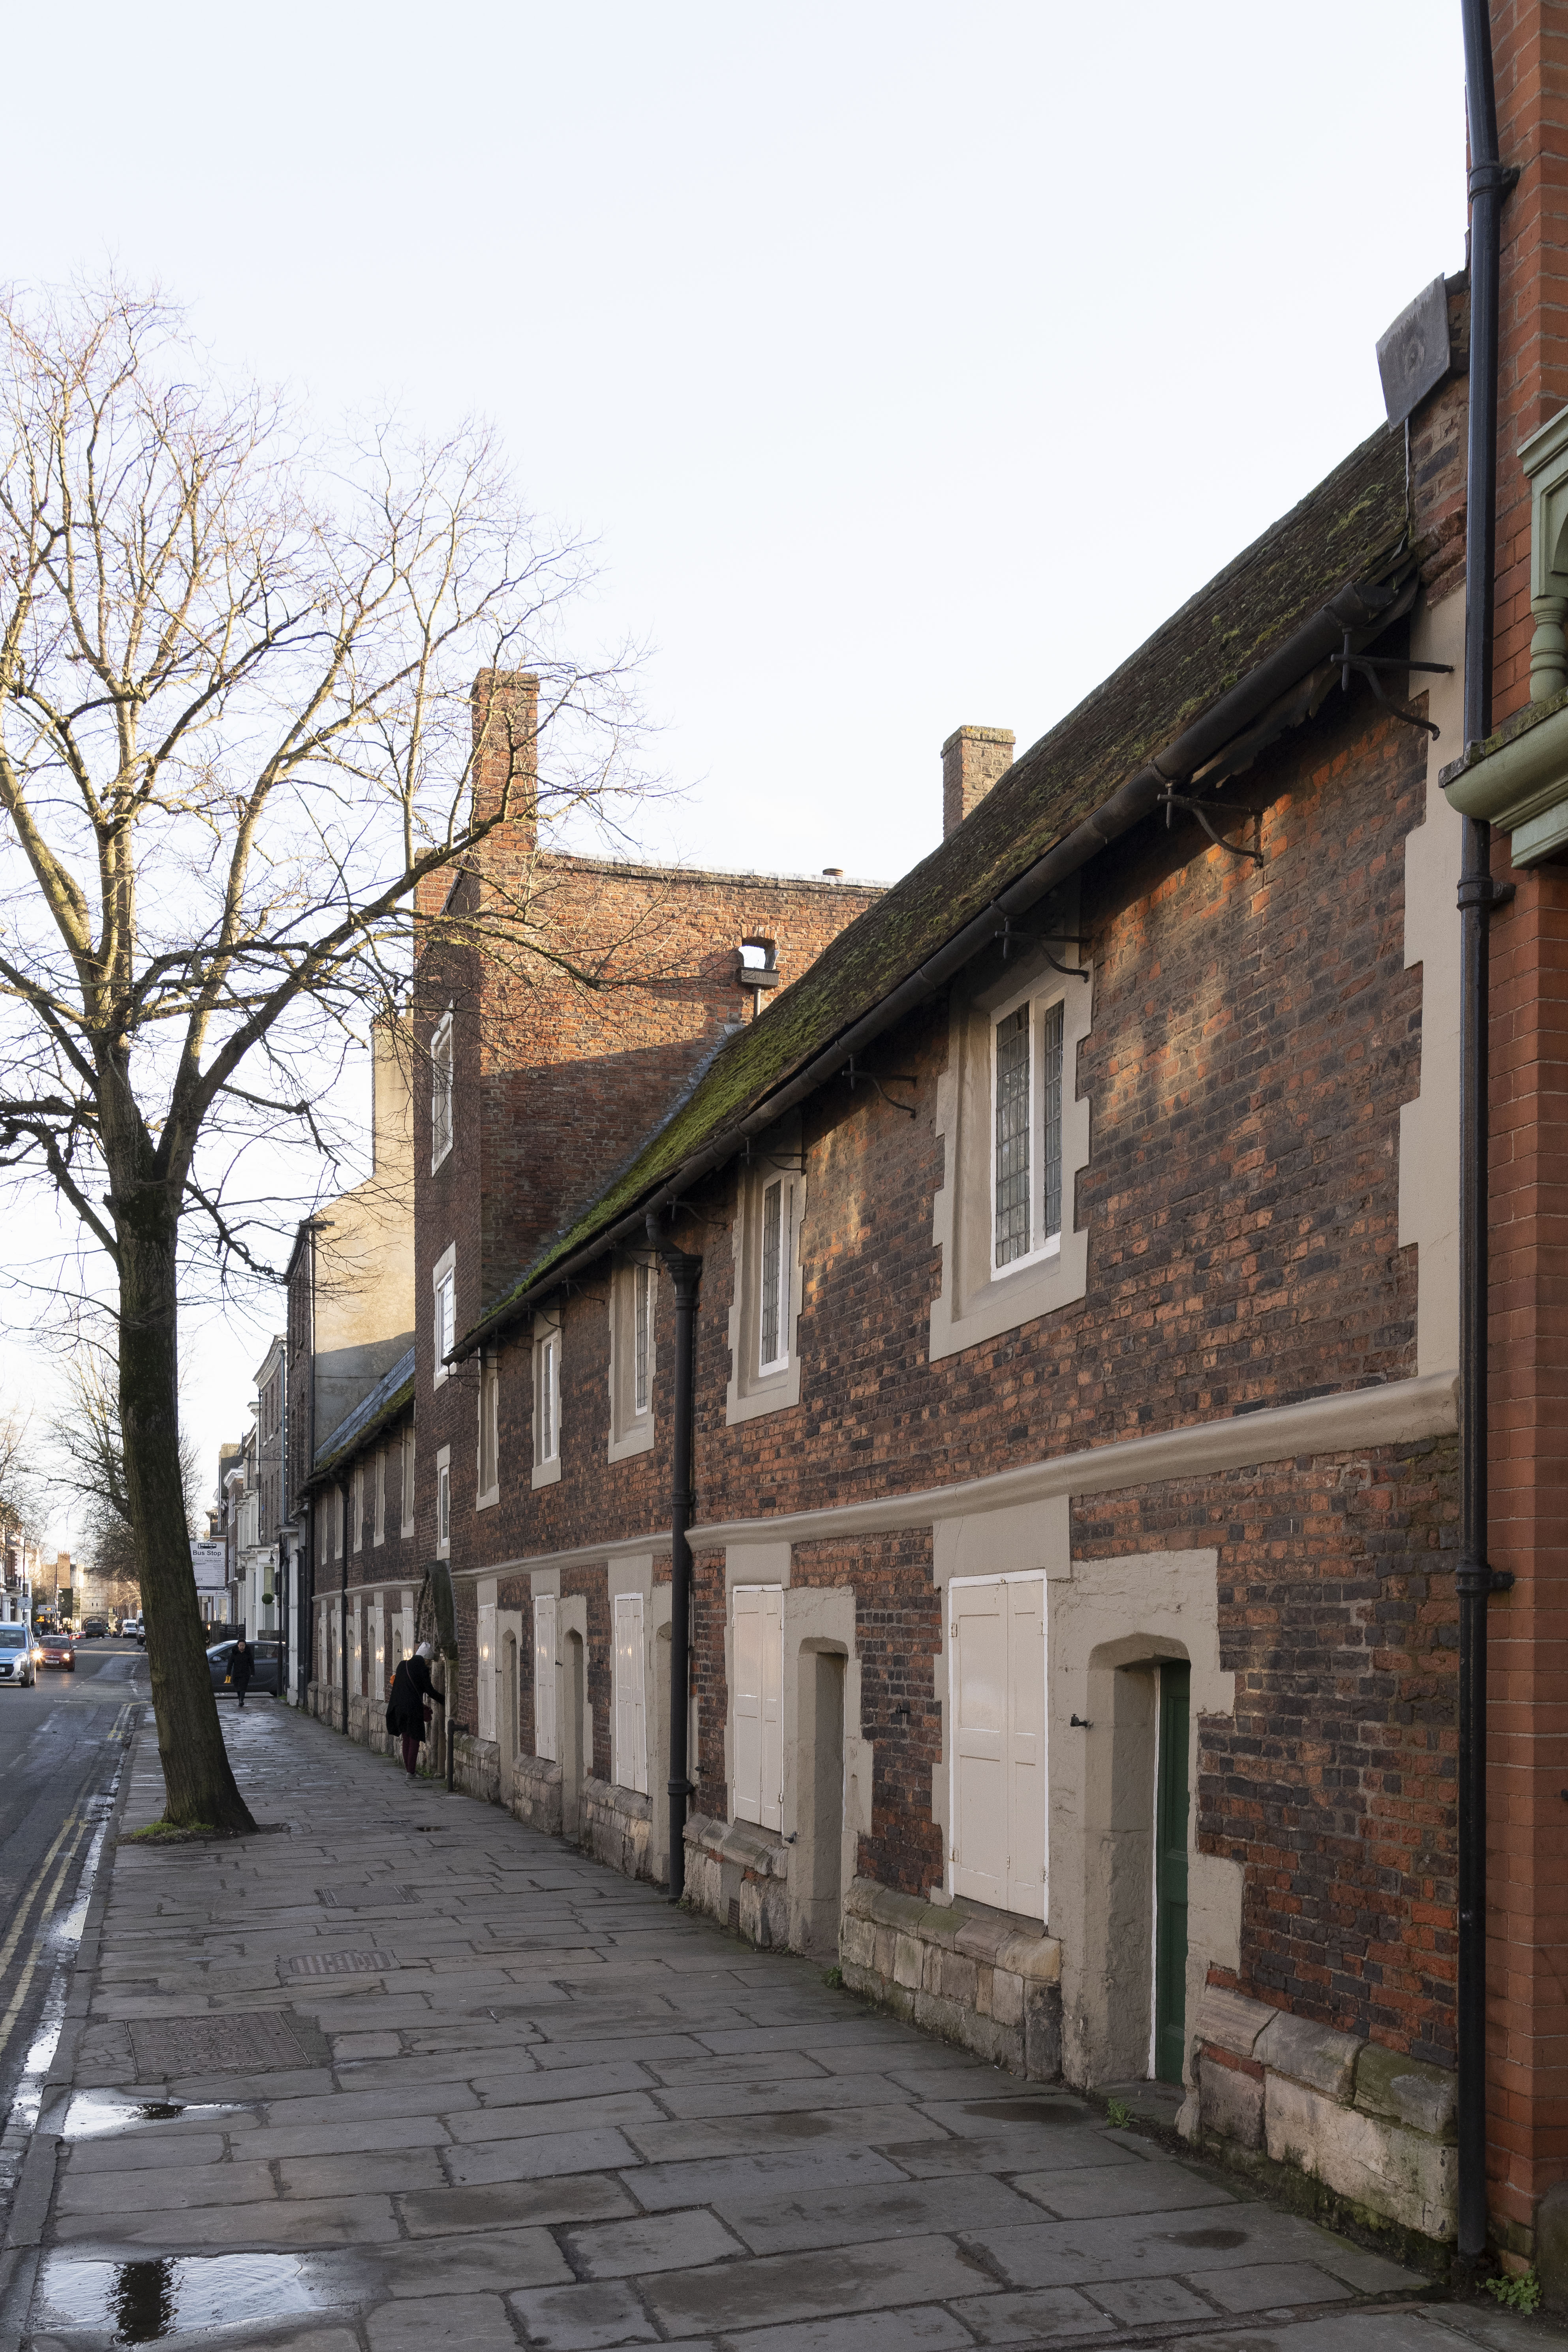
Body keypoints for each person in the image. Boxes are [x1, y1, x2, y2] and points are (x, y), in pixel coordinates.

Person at [386, 1641, 439, 1778]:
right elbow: (430, 1691)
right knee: (414, 1739)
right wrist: (443, 1700)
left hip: (399, 1708)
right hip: (413, 1709)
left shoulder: (402, 1665)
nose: (429, 1664)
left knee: (406, 1739)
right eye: (429, 1661)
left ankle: (409, 1770)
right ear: (425, 1659)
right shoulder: (422, 1670)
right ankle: (411, 1772)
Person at [230, 1635, 253, 1709]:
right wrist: (228, 1673)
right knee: (238, 1687)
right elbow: (230, 1663)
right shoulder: (234, 1653)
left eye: (243, 1646)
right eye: (241, 1645)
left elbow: (251, 1663)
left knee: (243, 1687)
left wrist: (253, 1672)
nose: (242, 1647)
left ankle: (242, 1701)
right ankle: (239, 1699)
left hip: (245, 1673)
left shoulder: (248, 1653)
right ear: (238, 1646)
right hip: (236, 1673)